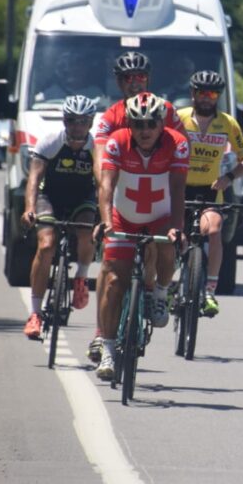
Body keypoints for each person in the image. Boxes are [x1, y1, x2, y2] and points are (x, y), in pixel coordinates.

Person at [87, 51, 184, 364]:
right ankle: (103, 335)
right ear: (118, 81)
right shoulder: (111, 118)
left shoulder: (166, 112)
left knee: (164, 245)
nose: (134, 82)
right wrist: (106, 212)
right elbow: (101, 164)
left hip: (159, 196)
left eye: (140, 77)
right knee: (111, 271)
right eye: (128, 78)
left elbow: (179, 161)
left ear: (148, 79)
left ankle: (159, 294)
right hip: (121, 192)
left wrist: (177, 225)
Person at [20, 95, 99, 339]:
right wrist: (29, 209)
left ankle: (81, 278)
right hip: (50, 197)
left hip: (82, 198)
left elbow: (104, 182)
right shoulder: (51, 141)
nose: (78, 126)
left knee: (87, 230)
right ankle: (35, 314)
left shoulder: (96, 148)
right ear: (65, 121)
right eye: (72, 121)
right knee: (46, 246)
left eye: (83, 121)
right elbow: (34, 179)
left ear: (91, 123)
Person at [177, 70, 243, 316]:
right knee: (174, 235)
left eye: (212, 94)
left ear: (218, 96)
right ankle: (167, 285)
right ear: (193, 94)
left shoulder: (228, 123)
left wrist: (229, 177)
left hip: (211, 191)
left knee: (214, 230)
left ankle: (209, 290)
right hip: (180, 188)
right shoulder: (179, 119)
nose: (206, 98)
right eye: (202, 93)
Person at [35, 51, 105, 103]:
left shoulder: (95, 92)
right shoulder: (51, 92)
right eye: (72, 66)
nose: (75, 70)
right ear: (66, 70)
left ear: (86, 71)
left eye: (79, 68)